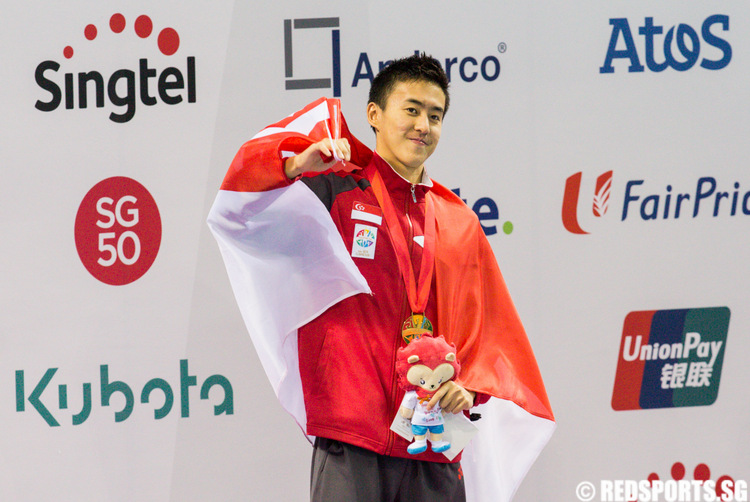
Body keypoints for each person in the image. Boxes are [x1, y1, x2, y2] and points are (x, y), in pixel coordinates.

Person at [209, 53, 554, 502]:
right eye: (411, 109)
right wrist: (294, 168)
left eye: (435, 115)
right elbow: (241, 210)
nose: (423, 125)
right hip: (352, 434)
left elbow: (488, 333)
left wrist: (467, 387)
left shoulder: (458, 221)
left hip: (433, 442)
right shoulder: (334, 191)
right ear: (374, 115)